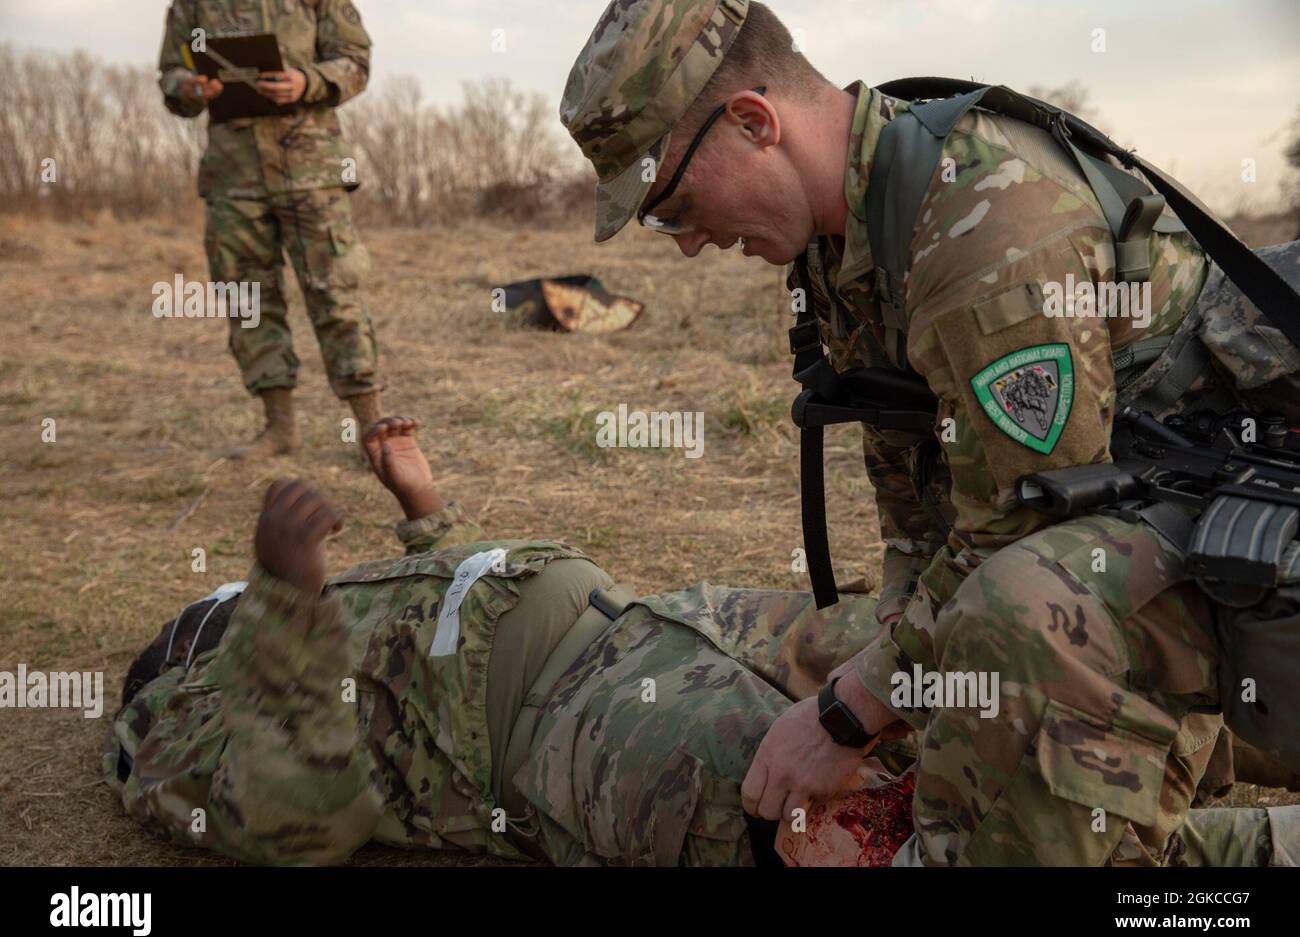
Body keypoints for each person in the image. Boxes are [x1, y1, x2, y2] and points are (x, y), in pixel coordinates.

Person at [559, 0, 1300, 864]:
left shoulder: (987, 227)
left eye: (675, 206)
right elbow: (920, 512)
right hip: (1125, 533)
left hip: (1237, 544)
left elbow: (1019, 528)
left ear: (755, 123)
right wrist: (892, 694)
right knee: (880, 652)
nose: (687, 244)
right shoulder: (852, 236)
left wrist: (847, 716)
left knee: (1006, 619)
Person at [104, 417, 1299, 867]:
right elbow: (302, 818)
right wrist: (286, 603)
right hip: (571, 729)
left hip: (661, 618)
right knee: (870, 828)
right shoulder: (182, 722)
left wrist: (423, 511)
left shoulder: (298, 612)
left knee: (981, 648)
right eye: (221, 604)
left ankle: (1256, 735)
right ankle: (1247, 848)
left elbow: (433, 606)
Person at [158, 0, 384, 459]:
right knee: (248, 301)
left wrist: (308, 81)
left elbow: (356, 61)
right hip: (233, 176)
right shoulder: (192, 5)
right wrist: (191, 86)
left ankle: (373, 432)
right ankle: (279, 428)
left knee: (335, 294)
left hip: (311, 172)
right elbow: (170, 73)